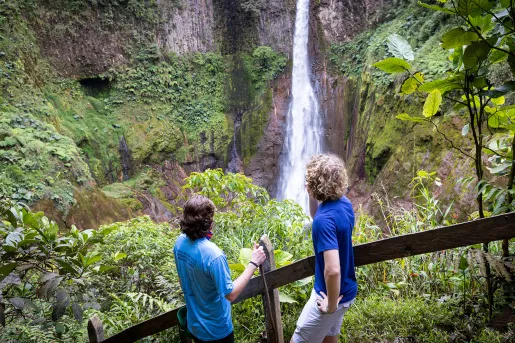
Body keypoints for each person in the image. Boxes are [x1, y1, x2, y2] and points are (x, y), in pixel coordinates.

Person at [174, 194, 266, 343]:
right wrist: (253, 263)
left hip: (194, 325)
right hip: (216, 331)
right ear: (208, 222)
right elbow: (230, 294)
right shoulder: (213, 255)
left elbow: (181, 279)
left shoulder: (179, 243)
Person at [291, 154, 357, 343]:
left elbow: (333, 270)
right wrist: (312, 196)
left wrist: (330, 305)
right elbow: (318, 215)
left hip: (328, 295)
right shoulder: (344, 204)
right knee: (330, 339)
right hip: (346, 291)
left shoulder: (324, 221)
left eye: (308, 179)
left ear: (316, 183)